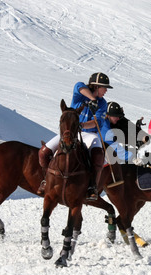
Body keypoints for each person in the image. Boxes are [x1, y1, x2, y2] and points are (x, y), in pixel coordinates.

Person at [38, 72, 113, 200]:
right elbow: (78, 86)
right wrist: (93, 100)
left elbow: (97, 123)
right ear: (96, 86)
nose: (106, 90)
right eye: (104, 87)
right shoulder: (80, 94)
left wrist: (82, 125)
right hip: (70, 133)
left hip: (89, 134)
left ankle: (92, 187)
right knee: (43, 153)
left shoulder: (103, 103)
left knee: (98, 155)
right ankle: (46, 180)